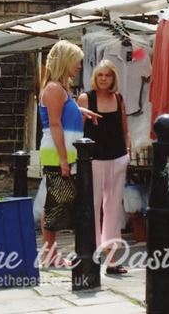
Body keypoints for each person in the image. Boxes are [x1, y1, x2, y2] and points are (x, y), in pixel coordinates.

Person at [39, 40, 100, 267]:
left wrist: (82, 110)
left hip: (64, 154)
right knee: (56, 204)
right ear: (65, 61)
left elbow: (63, 113)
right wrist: (64, 159)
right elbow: (55, 124)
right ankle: (50, 255)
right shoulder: (55, 88)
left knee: (58, 202)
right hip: (57, 154)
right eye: (76, 61)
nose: (79, 66)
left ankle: (51, 254)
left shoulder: (60, 88)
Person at [78, 61, 131, 275]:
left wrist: (127, 150)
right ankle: (91, 254)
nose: (103, 79)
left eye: (107, 75)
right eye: (99, 75)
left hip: (117, 157)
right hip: (94, 159)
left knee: (113, 209)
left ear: (112, 78)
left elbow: (124, 127)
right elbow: (78, 131)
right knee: (93, 206)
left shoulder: (118, 98)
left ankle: (111, 259)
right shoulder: (86, 98)